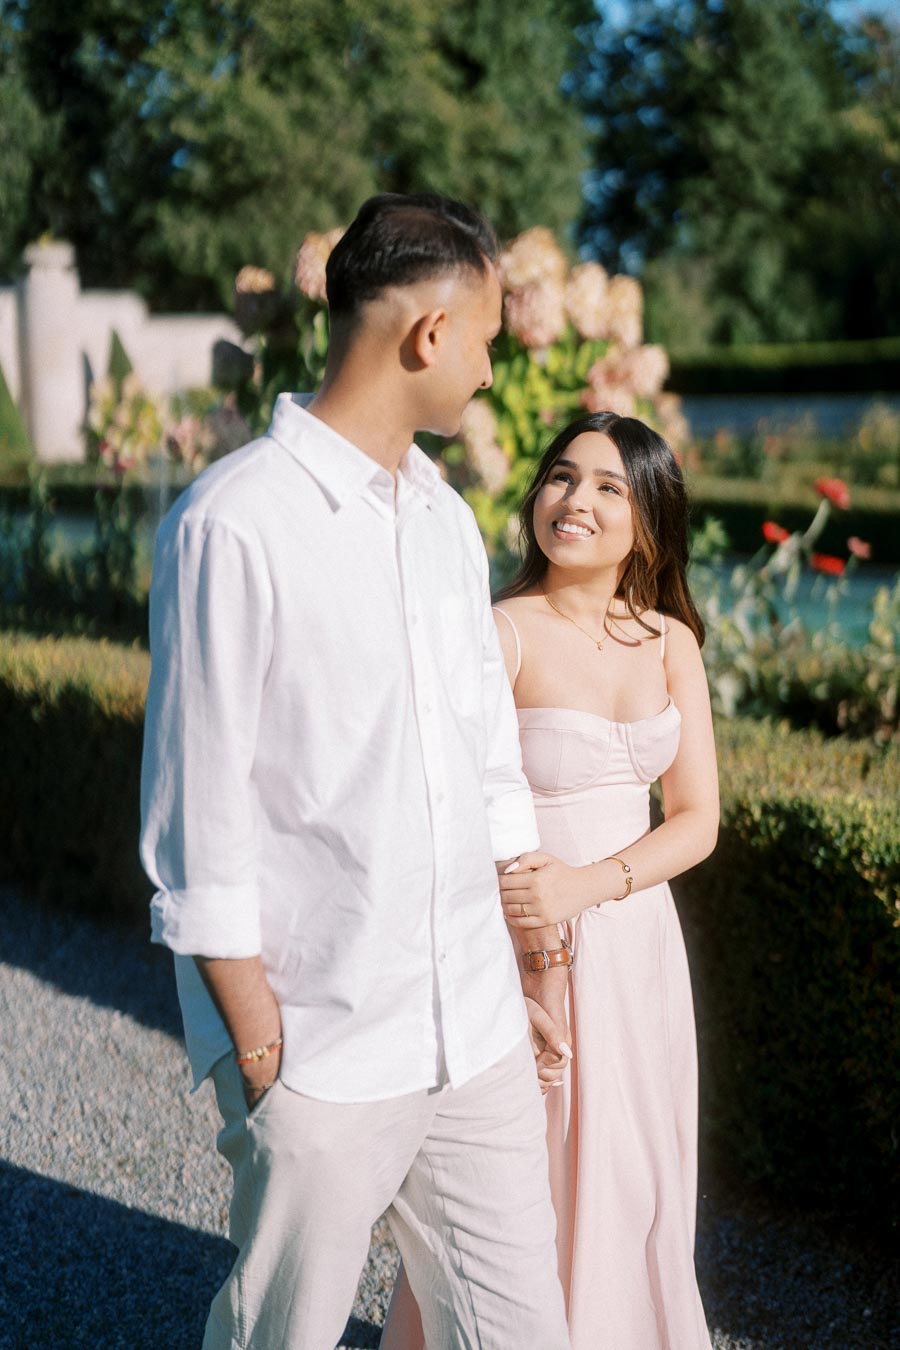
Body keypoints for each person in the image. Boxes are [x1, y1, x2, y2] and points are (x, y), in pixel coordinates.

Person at [139, 193, 572, 1350]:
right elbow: (198, 811)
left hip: (473, 1036)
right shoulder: (231, 525)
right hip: (323, 1046)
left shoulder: (444, 521)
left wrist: (517, 961)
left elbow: (485, 760)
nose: (489, 368)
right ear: (428, 336)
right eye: (485, 338)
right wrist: (263, 1047)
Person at [382, 411, 718, 1349]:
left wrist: (595, 884)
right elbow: (452, 804)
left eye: (610, 486)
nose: (575, 501)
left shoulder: (669, 643)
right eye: (563, 477)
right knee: (531, 1174)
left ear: (649, 521)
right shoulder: (503, 633)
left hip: (639, 946)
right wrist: (540, 936)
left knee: (636, 1171)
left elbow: (697, 820)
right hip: (527, 945)